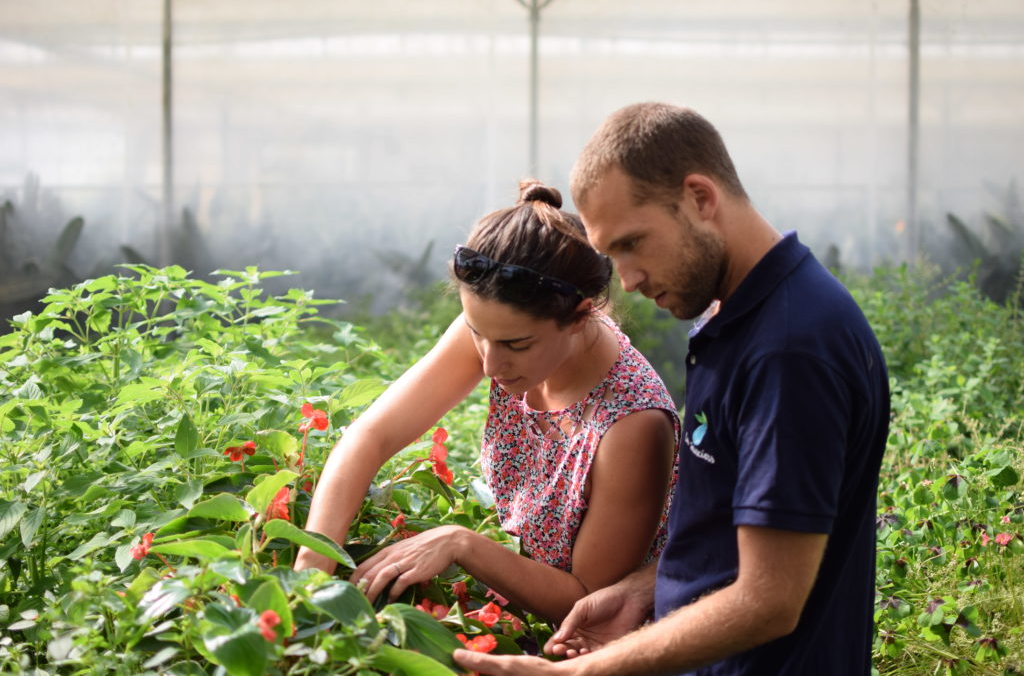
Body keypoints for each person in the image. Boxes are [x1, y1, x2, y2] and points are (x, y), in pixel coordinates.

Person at [455, 103, 890, 675]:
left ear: (700, 198)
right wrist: (645, 589)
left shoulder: (789, 350)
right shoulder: (734, 319)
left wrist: (579, 672)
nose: (627, 281)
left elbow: (770, 600)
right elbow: (743, 540)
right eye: (612, 255)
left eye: (633, 244)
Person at [294, 179, 681, 624]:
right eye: (478, 334)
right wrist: (311, 569)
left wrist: (461, 543)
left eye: (516, 345)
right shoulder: (497, 328)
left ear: (579, 317)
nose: (491, 364)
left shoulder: (631, 423)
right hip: (512, 602)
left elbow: (587, 602)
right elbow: (372, 435)